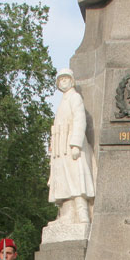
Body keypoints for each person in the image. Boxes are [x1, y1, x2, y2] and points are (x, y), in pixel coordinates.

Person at [48, 68, 95, 224]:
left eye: (66, 79)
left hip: (71, 145)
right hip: (60, 147)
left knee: (76, 180)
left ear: (72, 81)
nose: (63, 82)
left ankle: (82, 213)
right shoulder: (63, 101)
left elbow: (80, 120)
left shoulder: (75, 97)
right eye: (60, 80)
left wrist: (76, 144)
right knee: (63, 181)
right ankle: (68, 213)